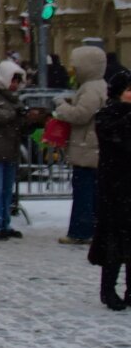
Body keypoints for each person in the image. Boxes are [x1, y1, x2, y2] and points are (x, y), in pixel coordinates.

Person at [0, 60, 46, 240]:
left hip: (8, 150)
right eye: (13, 80)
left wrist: (31, 121)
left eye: (17, 81)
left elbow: (17, 126)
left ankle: (4, 224)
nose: (15, 84)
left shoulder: (14, 99)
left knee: (6, 191)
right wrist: (15, 114)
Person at [53, 46, 108, 246]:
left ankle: (81, 231)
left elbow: (80, 115)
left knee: (84, 192)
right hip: (91, 147)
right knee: (90, 192)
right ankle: (89, 229)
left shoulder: (92, 88)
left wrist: (61, 106)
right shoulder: (95, 86)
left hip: (87, 148)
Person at [88, 70, 131, 310]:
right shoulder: (108, 116)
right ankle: (108, 290)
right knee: (114, 242)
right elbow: (118, 144)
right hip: (116, 188)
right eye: (128, 90)